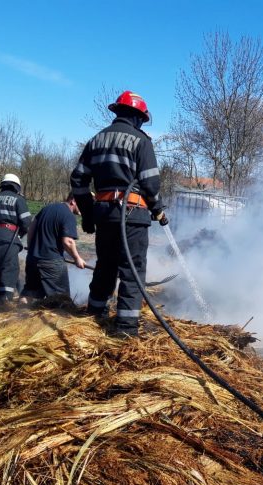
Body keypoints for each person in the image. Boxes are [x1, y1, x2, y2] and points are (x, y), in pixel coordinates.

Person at [70, 90, 168, 337]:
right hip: (132, 214)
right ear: (138, 117)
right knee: (132, 271)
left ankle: (94, 316)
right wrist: (158, 210)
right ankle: (125, 329)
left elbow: (78, 181)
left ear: (117, 113)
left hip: (103, 215)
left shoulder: (95, 140)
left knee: (105, 265)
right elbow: (150, 185)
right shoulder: (142, 141)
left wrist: (89, 215)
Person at [21, 193, 86, 301]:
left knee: (29, 293)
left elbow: (31, 228)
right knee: (62, 299)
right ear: (73, 201)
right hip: (51, 262)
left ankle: (20, 314)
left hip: (33, 259)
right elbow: (68, 242)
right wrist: (77, 258)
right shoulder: (68, 215)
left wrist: (31, 248)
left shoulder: (46, 208)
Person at [0, 174, 32, 306]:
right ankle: (6, 300)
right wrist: (20, 234)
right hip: (9, 237)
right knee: (10, 267)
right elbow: (27, 222)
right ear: (16, 187)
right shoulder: (18, 199)